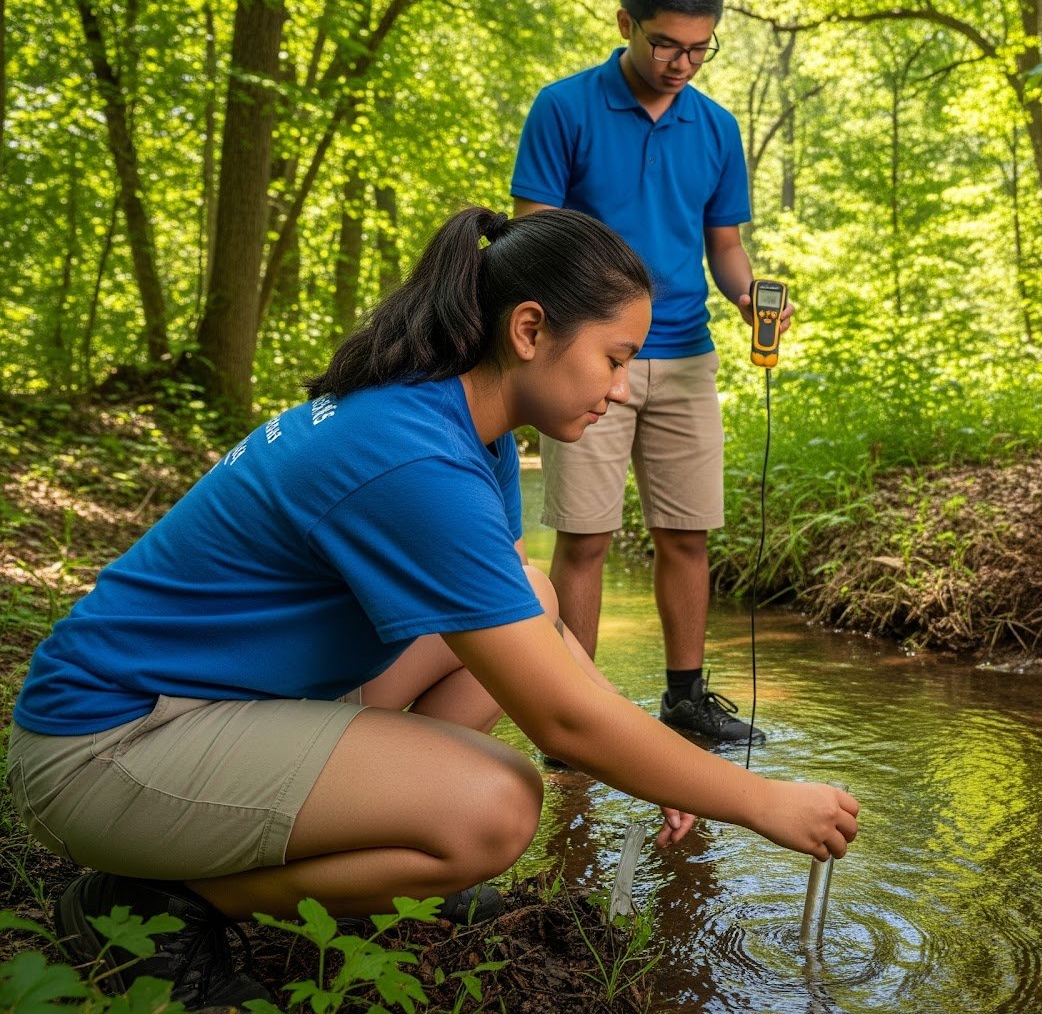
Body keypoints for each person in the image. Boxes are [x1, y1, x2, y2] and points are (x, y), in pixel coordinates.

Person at [5, 206, 858, 1008]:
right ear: (529, 331)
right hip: (106, 748)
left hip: (204, 706)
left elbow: (537, 643)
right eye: (615, 356)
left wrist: (660, 754)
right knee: (494, 810)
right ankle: (170, 905)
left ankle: (383, 863)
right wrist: (753, 798)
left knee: (529, 594)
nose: (622, 387)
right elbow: (562, 724)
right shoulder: (411, 459)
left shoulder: (457, 424)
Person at [510, 0, 785, 744]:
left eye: (700, 48)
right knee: (587, 537)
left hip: (689, 354)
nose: (682, 63)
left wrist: (748, 296)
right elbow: (532, 236)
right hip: (588, 355)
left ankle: (686, 700)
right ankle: (576, 709)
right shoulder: (563, 107)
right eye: (666, 43)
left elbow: (724, 242)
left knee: (686, 533)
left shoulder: (717, 127)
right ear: (627, 21)